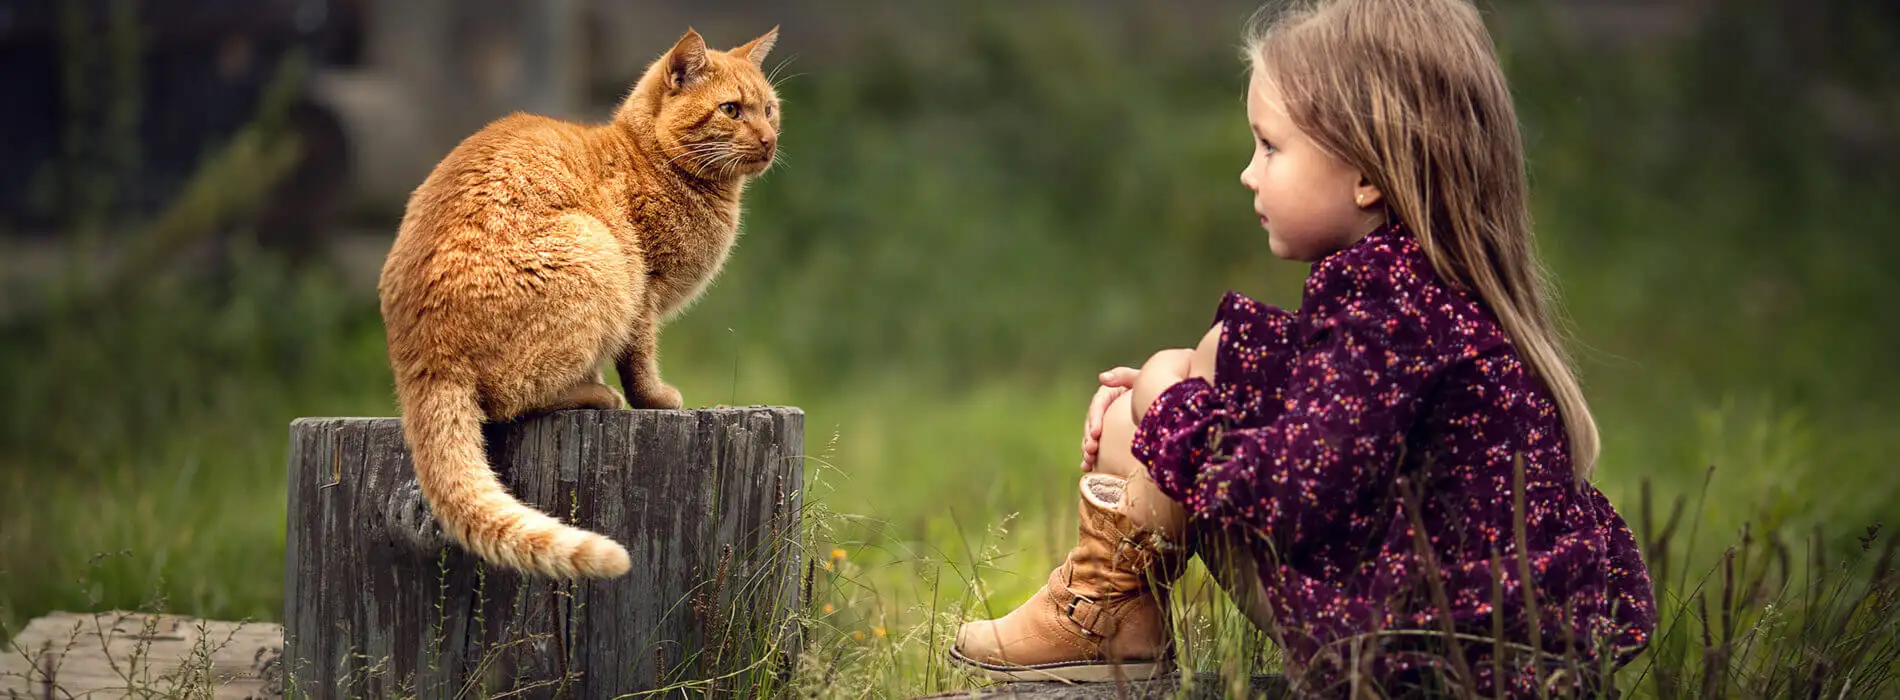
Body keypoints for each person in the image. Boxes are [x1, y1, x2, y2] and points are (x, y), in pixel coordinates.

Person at [948, 0, 1657, 696]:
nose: (1249, 174)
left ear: (1366, 173)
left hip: (1422, 663)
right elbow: (1332, 436)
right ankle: (1112, 615)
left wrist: (1171, 410)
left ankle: (1101, 618)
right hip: (1479, 646)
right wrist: (1178, 402)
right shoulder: (1431, 293)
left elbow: (1296, 497)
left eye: (1270, 146)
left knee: (1179, 382)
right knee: (1210, 357)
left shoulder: (1387, 308)